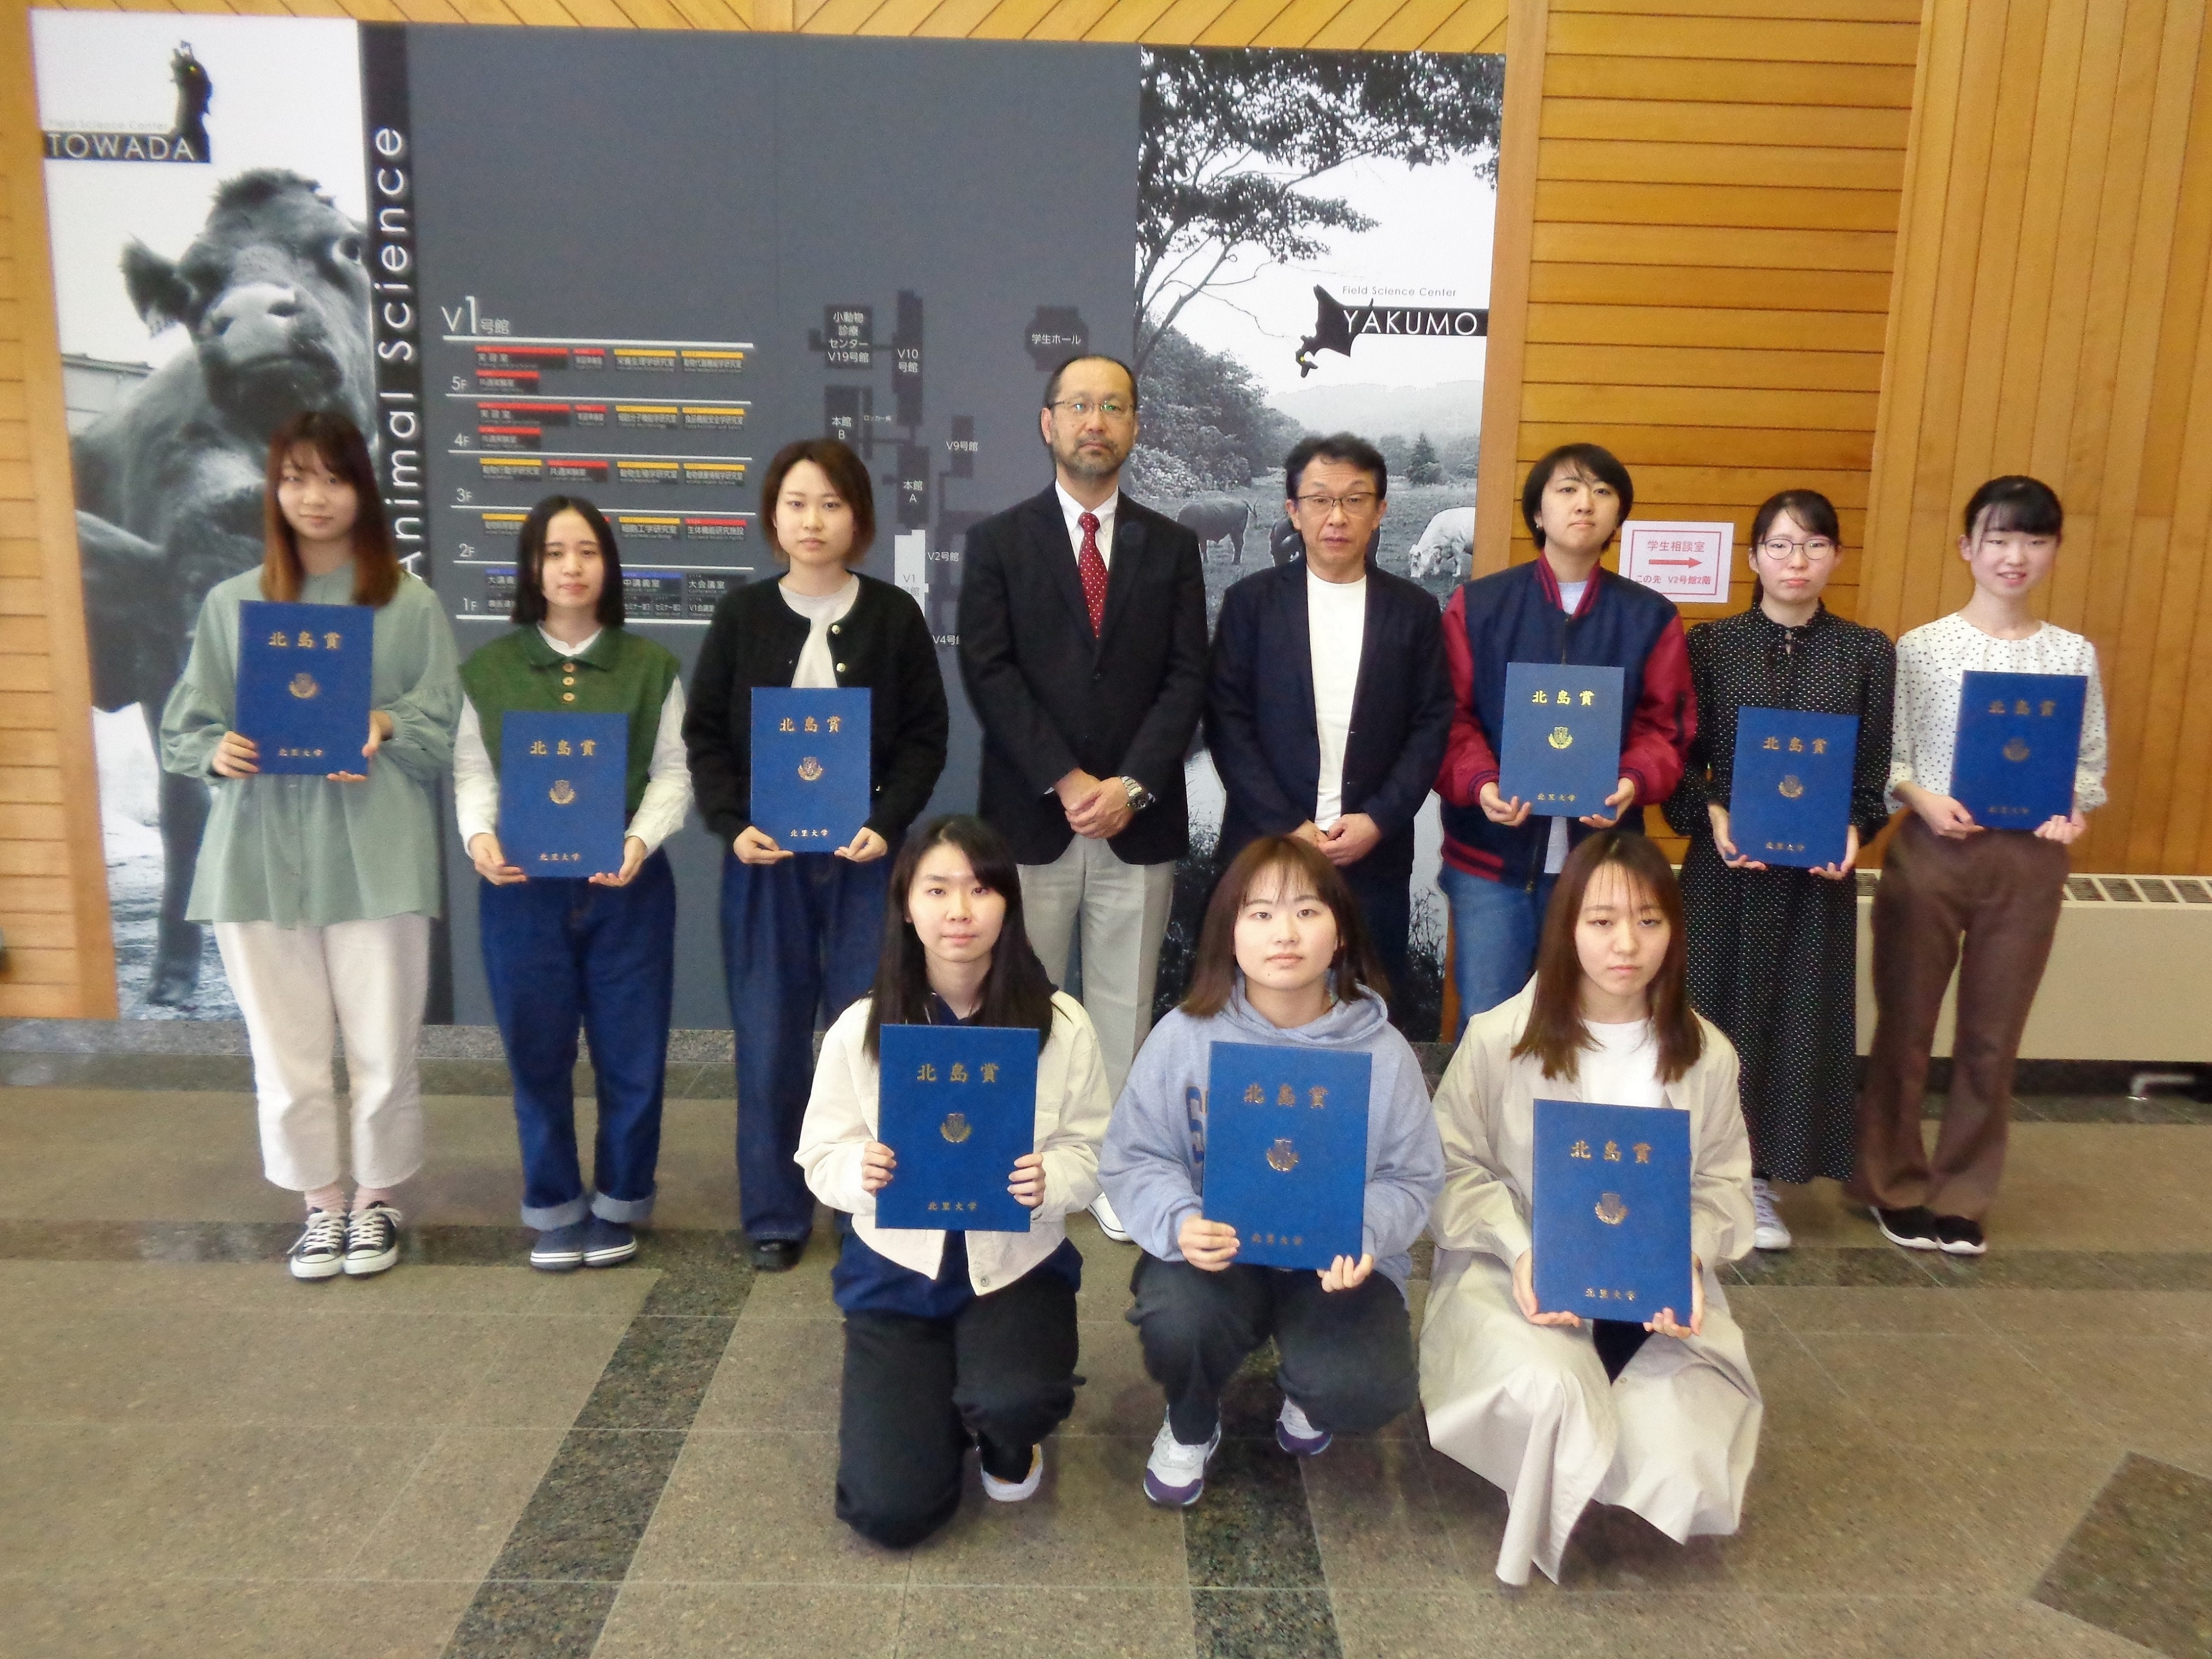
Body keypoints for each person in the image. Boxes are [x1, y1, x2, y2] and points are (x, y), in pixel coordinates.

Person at [159, 410, 460, 1280]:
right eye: (295, 478)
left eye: (333, 477)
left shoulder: (407, 604)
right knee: (285, 1054)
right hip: (257, 859)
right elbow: (188, 723)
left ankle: (377, 1200)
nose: (314, 496)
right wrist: (215, 749)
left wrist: (384, 723)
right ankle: (321, 1203)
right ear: (274, 490)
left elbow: (443, 721)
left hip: (377, 853)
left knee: (382, 1048)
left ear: (363, 489)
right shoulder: (233, 604)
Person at [1420, 830, 1761, 1587]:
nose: (1626, 945)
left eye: (1649, 921)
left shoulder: (1706, 1054)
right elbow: (1452, 1167)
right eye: (1602, 922)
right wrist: (1520, 1250)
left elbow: (1723, 1185)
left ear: (1674, 931)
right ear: (1566, 927)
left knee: (1676, 1453)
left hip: (1653, 1291)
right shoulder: (1501, 1038)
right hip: (1522, 1275)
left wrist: (1687, 1258)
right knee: (1552, 1393)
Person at [1098, 835, 1443, 1507]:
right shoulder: (1185, 1035)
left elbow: (1413, 1177)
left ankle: (1310, 1389)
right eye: (1260, 913)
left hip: (1336, 1266)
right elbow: (1135, 1155)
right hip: (1218, 1258)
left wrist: (1366, 1231)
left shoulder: (1383, 1051)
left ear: (1339, 934)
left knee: (1366, 1389)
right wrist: (1180, 1220)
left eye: (1307, 911)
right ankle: (1192, 1418)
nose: (1285, 933)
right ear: (1229, 934)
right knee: (1177, 1320)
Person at [796, 814, 1111, 1547]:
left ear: (1008, 903)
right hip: (897, 1273)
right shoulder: (862, 1027)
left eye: (980, 889)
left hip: (1015, 1266)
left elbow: (1094, 1150)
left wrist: (1053, 1179)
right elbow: (820, 1154)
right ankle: (934, 1402)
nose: (960, 911)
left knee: (1013, 1399)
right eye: (937, 890)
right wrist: (860, 1174)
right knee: (889, 1514)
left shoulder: (1061, 1024)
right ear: (907, 906)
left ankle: (1004, 1433)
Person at [957, 353, 1208, 1244]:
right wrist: (1066, 779)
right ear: (1048, 423)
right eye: (1078, 406)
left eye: (1112, 406)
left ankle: (1109, 1170)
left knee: (1120, 1009)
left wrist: (1129, 785)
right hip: (1031, 818)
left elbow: (1187, 678)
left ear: (1134, 425)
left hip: (1138, 820)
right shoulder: (998, 542)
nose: (1094, 421)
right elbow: (988, 671)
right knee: (1013, 1002)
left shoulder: (1171, 547)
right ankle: (1008, 1159)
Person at [685, 439, 948, 1272]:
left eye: (831, 504)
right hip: (764, 862)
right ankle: (775, 1210)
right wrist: (732, 822)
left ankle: (866, 1203)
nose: (812, 520)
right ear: (773, 516)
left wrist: (888, 820)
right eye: (796, 503)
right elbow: (704, 735)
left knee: (869, 1033)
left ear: (857, 518)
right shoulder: (742, 615)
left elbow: (925, 736)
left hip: (866, 860)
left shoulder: (893, 616)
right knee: (768, 1040)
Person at [1850, 476, 2107, 1257]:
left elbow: (2087, 764)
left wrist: (2073, 809)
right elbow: (1889, 756)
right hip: (1933, 851)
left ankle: (1962, 1192)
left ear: (2054, 550)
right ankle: (1892, 1183)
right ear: (1966, 547)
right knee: (1904, 1027)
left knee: (1992, 1038)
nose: (2013, 555)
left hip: (2027, 862)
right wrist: (1920, 798)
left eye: (2033, 539)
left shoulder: (2071, 654)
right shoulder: (1922, 647)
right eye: (1998, 538)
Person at [455, 496, 691, 1271]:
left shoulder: (651, 667)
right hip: (521, 887)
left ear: (609, 566)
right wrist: (479, 837)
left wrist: (639, 840)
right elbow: (474, 772)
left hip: (627, 885)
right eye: (554, 552)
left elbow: (673, 772)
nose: (571, 567)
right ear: (531, 567)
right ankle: (554, 1203)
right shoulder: (488, 669)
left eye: (587, 551)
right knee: (537, 1050)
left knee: (633, 1052)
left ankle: (622, 1198)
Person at [1663, 491, 1895, 1251]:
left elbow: (1870, 777)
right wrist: (1712, 816)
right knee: (1705, 1018)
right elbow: (1678, 764)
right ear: (1755, 557)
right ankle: (1686, 1175)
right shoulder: (1710, 646)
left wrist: (1856, 830)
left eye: (1815, 545)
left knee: (1796, 1020)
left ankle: (1759, 1182)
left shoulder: (1866, 653)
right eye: (1781, 546)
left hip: (1813, 879)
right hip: (1726, 868)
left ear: (1836, 557)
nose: (1798, 561)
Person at [1433, 444, 1696, 1036]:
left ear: (1618, 515)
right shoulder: (1479, 605)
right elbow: (1448, 719)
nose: (1585, 504)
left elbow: (1666, 730)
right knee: (1489, 1026)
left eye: (1602, 492)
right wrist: (1482, 784)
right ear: (1537, 511)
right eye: (1568, 489)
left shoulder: (1649, 616)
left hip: (1601, 865)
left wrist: (1631, 781)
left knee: (1593, 1030)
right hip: (1490, 864)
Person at [1205, 433, 1454, 1018]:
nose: (1336, 517)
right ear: (1293, 511)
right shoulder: (1251, 603)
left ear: (1379, 511)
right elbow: (1227, 721)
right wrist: (1285, 824)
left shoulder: (1414, 610)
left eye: (1354, 500)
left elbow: (1430, 723)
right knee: (1248, 1012)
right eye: (1319, 500)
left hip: (1371, 852)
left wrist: (1380, 818)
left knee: (1366, 1008)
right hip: (1264, 845)